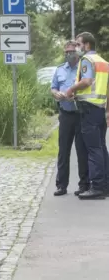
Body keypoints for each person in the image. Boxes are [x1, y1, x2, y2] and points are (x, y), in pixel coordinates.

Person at [66, 32, 109, 199]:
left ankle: (97, 187)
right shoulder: (104, 62)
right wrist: (107, 111)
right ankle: (105, 185)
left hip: (89, 109)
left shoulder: (87, 60)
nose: (77, 47)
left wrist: (70, 90)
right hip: (99, 109)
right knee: (101, 147)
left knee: (93, 149)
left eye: (78, 44)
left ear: (87, 45)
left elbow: (87, 81)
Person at [51, 41, 89, 196]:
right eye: (66, 52)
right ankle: (61, 185)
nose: (69, 54)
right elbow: (53, 88)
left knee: (82, 151)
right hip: (65, 114)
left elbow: (88, 86)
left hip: (80, 114)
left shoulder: (84, 68)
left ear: (78, 52)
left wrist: (75, 95)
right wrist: (56, 94)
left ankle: (84, 184)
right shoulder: (60, 70)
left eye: (72, 51)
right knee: (63, 150)